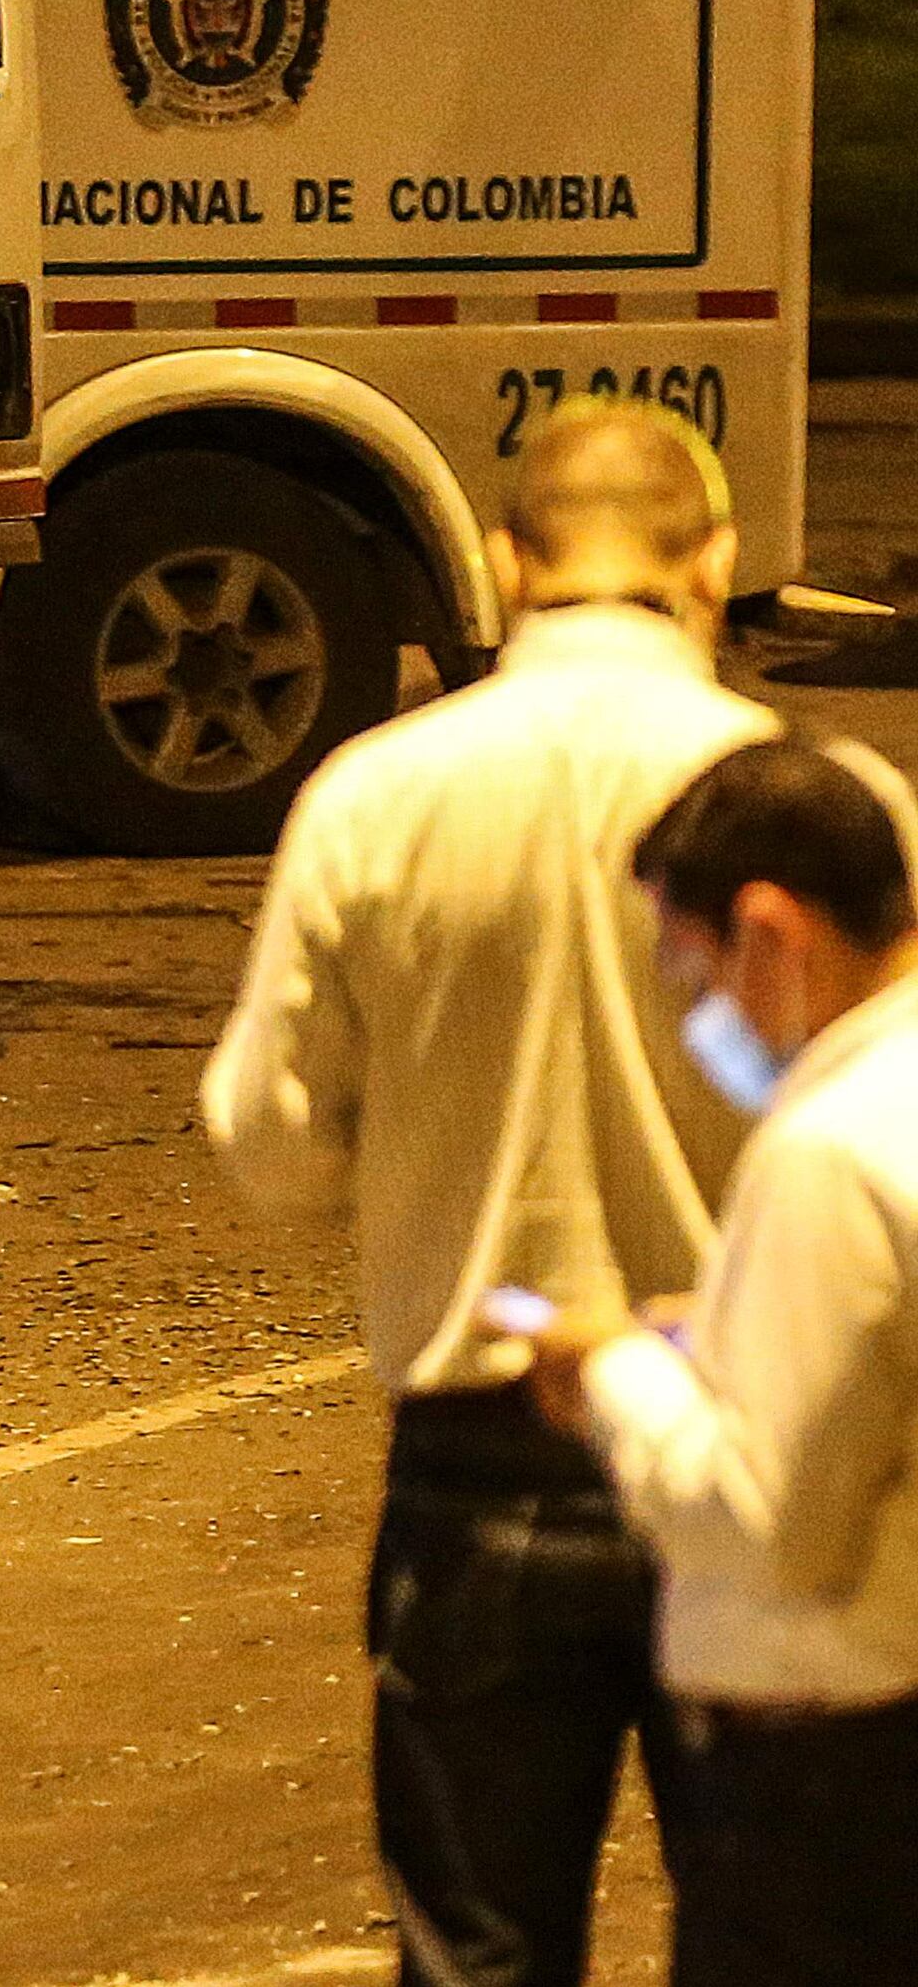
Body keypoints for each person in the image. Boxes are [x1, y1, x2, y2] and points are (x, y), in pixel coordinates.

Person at [204, 400, 769, 1987]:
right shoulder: (808, 797)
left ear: (509, 564)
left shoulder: (375, 796)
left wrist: (427, 1169)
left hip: (482, 1462)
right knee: (790, 1933)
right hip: (749, 1462)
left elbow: (268, 1136)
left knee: (476, 1951)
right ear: (712, 564)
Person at [503, 739, 918, 1987]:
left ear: (770, 933)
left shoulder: (826, 1152)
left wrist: (614, 1371)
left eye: (689, 966)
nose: (694, 1010)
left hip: (835, 1786)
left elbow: (764, 1520)